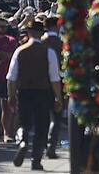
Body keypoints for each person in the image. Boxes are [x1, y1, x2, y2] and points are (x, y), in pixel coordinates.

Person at [6, 20, 62, 171]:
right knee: (41, 127)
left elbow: (11, 78)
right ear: (41, 32)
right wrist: (58, 97)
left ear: (29, 32)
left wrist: (11, 96)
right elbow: (55, 78)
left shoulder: (20, 51)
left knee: (23, 123)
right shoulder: (48, 52)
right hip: (44, 93)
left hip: (24, 92)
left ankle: (22, 142)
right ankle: (36, 161)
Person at [40, 16, 64, 160]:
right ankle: (51, 146)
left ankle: (42, 145)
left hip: (39, 84)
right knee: (56, 117)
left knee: (42, 117)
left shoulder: (40, 43)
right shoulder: (61, 43)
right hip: (57, 82)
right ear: (57, 26)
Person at [0, 17, 17, 142]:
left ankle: (6, 133)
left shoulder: (11, 40)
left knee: (6, 107)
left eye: (5, 27)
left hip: (6, 77)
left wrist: (0, 54)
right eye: (1, 26)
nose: (4, 29)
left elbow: (12, 55)